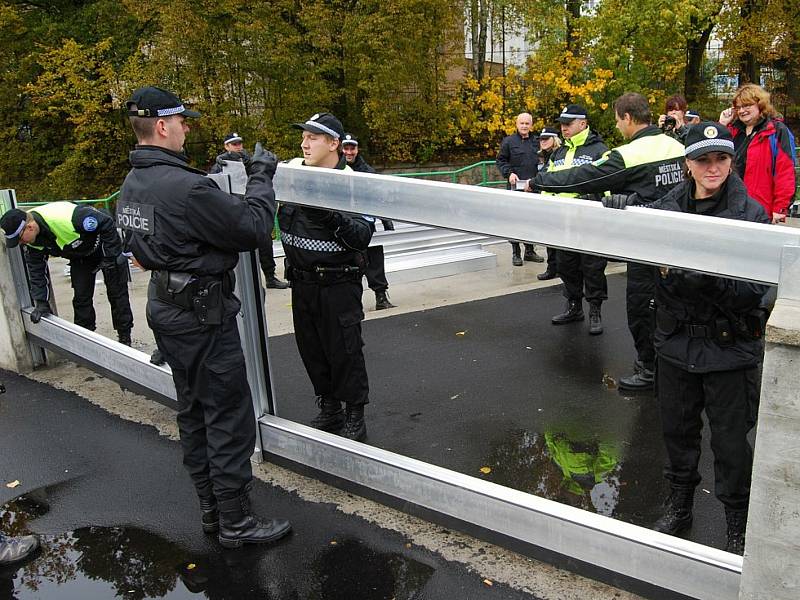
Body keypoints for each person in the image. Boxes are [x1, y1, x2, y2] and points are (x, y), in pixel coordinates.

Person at [118, 85, 291, 548]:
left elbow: (138, 244)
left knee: (193, 411)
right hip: (201, 316)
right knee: (227, 415)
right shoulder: (188, 187)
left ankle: (212, 513)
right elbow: (253, 228)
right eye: (181, 120)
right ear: (161, 126)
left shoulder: (133, 184)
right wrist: (261, 178)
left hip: (166, 308)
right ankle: (236, 522)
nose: (186, 127)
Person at [601, 122, 770, 554]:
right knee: (677, 434)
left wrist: (703, 279)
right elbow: (639, 245)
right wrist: (624, 211)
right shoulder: (667, 208)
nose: (712, 167)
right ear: (688, 165)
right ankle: (679, 507)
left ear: (732, 162)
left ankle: (737, 522)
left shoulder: (751, 215)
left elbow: (754, 291)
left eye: (721, 159)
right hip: (676, 347)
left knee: (732, 444)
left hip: (730, 350)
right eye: (702, 159)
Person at [534, 92, 686, 389]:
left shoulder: (630, 154)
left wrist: (539, 182)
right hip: (678, 244)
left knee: (641, 308)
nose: (617, 127)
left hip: (644, 246)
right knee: (675, 306)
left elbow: (583, 177)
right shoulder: (675, 146)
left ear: (628, 118)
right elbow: (664, 191)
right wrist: (632, 199)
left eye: (618, 121)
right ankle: (670, 367)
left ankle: (649, 370)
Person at [280, 113, 373, 441]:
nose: (304, 143)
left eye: (314, 137)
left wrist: (333, 217)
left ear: (334, 143)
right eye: (303, 136)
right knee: (312, 349)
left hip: (337, 283)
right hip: (302, 282)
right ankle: (330, 407)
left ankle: (354, 413)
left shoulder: (351, 182)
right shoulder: (291, 173)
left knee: (345, 350)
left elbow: (363, 235)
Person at [1, 202, 134, 345]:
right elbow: (36, 271)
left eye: (20, 239)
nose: (21, 243)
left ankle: (125, 337)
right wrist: (41, 302)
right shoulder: (32, 240)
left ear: (30, 227)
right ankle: (85, 340)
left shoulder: (70, 218)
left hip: (104, 247)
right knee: (81, 298)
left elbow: (106, 223)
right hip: (81, 256)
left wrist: (111, 257)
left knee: (117, 294)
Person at [536, 105, 609, 335]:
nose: (564, 127)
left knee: (593, 267)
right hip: (563, 221)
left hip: (589, 219)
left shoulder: (599, 149)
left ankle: (595, 310)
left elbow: (608, 183)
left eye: (569, 123)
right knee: (566, 266)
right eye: (562, 123)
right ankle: (574, 306)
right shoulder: (558, 152)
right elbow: (546, 179)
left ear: (583, 124)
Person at [210, 132, 288, 290]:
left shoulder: (247, 160)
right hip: (234, 213)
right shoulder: (221, 164)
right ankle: (242, 285)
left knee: (265, 244)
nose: (238, 147)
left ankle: (270, 277)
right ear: (226, 146)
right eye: (234, 144)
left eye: (239, 143)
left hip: (251, 207)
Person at [719, 83, 796, 224]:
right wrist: (722, 125)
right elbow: (713, 155)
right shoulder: (732, 131)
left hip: (760, 209)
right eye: (738, 107)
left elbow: (785, 171)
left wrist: (780, 208)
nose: (742, 111)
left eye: (747, 105)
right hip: (729, 206)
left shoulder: (776, 131)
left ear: (760, 105)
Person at [342, 133, 396, 311]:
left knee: (374, 259)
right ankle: (351, 301)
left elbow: (378, 197)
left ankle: (380, 296)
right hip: (345, 225)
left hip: (366, 224)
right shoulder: (334, 170)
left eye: (352, 148)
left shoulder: (367, 171)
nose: (349, 152)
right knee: (349, 263)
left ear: (357, 149)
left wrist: (386, 221)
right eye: (346, 148)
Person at [496, 112, 543, 266]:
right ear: (516, 124)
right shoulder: (508, 142)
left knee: (532, 220)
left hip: (533, 187)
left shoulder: (537, 142)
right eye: (521, 123)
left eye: (527, 123)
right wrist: (509, 173)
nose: (524, 126)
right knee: (515, 220)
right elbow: (501, 160)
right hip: (515, 188)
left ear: (531, 125)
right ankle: (516, 253)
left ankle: (529, 251)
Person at [534, 127, 561, 281]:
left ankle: (555, 268)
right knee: (550, 238)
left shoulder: (557, 154)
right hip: (546, 201)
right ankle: (553, 267)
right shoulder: (543, 156)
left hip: (556, 201)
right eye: (541, 139)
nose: (543, 141)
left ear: (554, 139)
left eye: (546, 138)